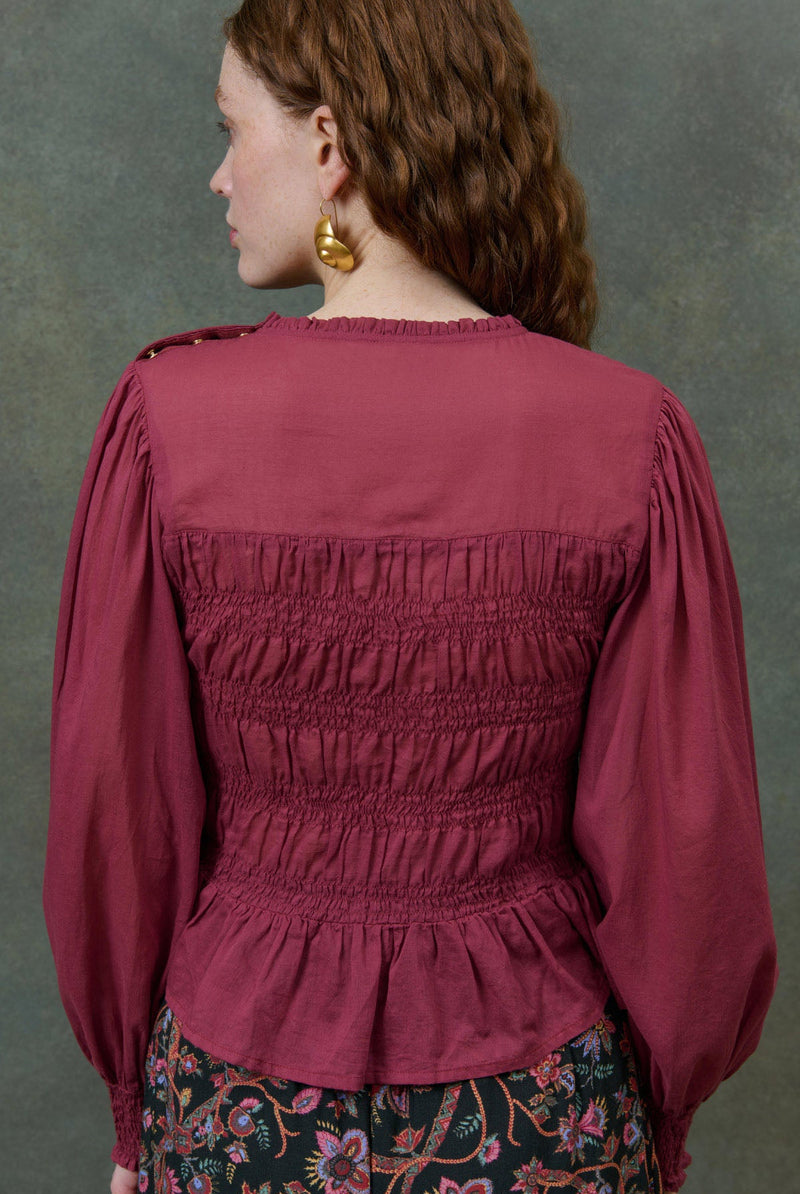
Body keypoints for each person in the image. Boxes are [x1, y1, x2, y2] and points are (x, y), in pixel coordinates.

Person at [43, 3, 778, 1193]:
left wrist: (134, 1108)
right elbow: (684, 847)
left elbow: (117, 814)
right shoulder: (626, 434)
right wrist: (664, 1115)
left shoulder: (168, 421)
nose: (219, 175)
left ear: (329, 143)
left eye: (232, 130)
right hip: (544, 1106)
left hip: (237, 1102)